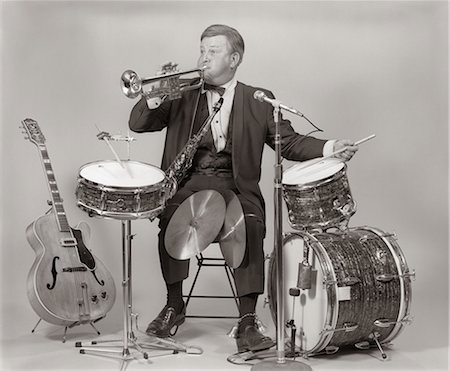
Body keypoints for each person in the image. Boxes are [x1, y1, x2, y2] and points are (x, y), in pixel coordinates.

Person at [128, 24, 358, 353]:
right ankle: (173, 306)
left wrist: (330, 146)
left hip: (234, 185)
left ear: (234, 59)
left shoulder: (258, 100)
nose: (203, 57)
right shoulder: (183, 93)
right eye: (202, 50)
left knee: (250, 222)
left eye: (213, 51)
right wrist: (152, 98)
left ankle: (247, 321)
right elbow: (138, 124)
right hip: (189, 183)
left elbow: (288, 143)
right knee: (170, 215)